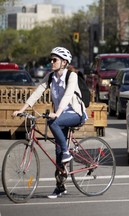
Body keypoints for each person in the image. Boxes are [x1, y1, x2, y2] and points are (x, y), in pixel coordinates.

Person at [12, 46, 87, 198]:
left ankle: (67, 152)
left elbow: (67, 96)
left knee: (53, 125)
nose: (51, 62)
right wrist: (22, 109)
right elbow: (37, 91)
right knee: (58, 151)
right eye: (51, 59)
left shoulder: (71, 76)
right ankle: (60, 187)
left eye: (55, 60)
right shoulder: (51, 76)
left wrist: (57, 113)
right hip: (61, 115)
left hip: (75, 113)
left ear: (64, 62)